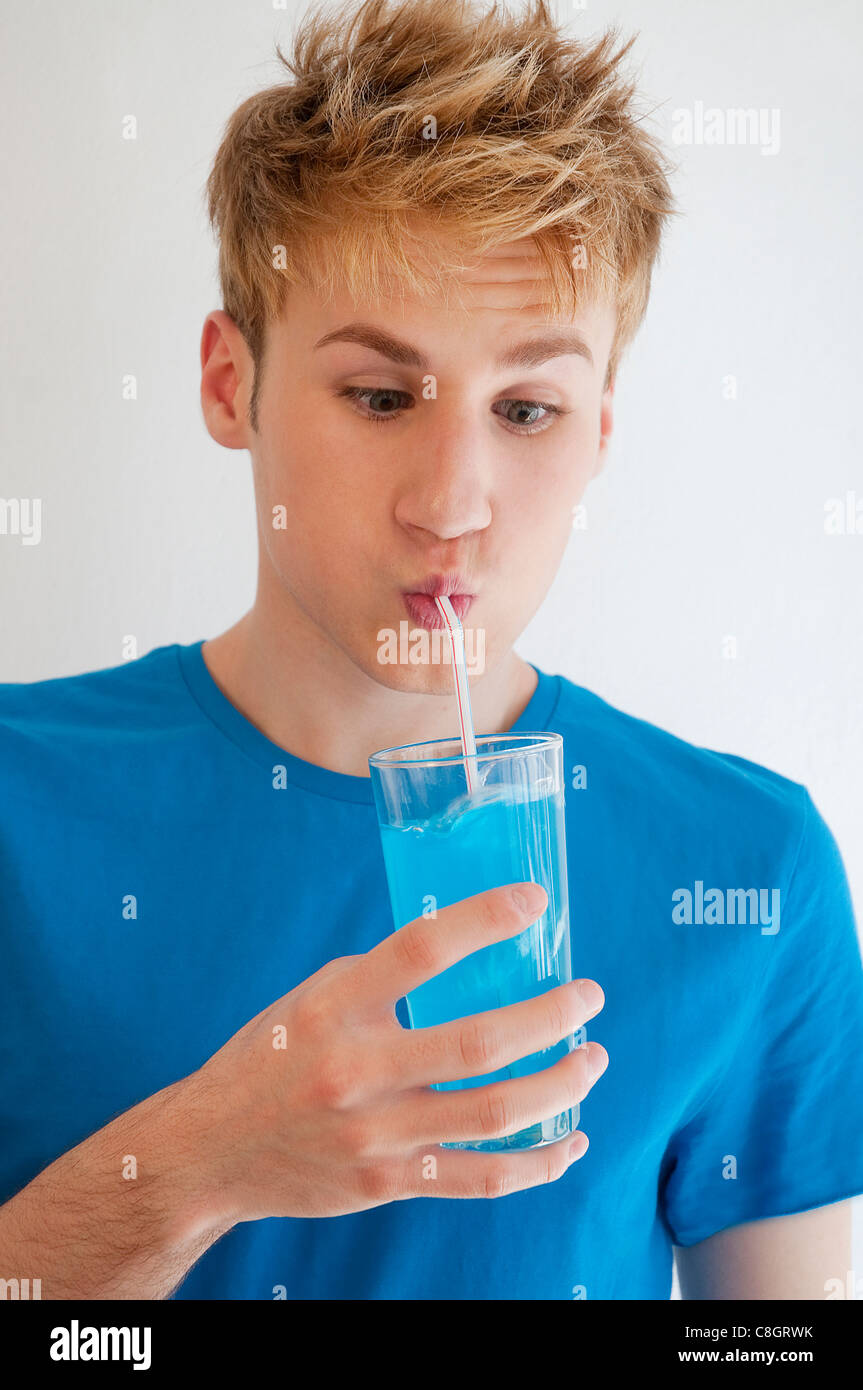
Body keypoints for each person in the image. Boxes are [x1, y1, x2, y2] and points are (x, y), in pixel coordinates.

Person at [1, 0, 861, 1302]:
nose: (454, 502)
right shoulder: (18, 801)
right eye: (382, 395)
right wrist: (199, 1162)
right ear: (230, 382)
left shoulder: (751, 869)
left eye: (527, 407)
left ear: (603, 429)